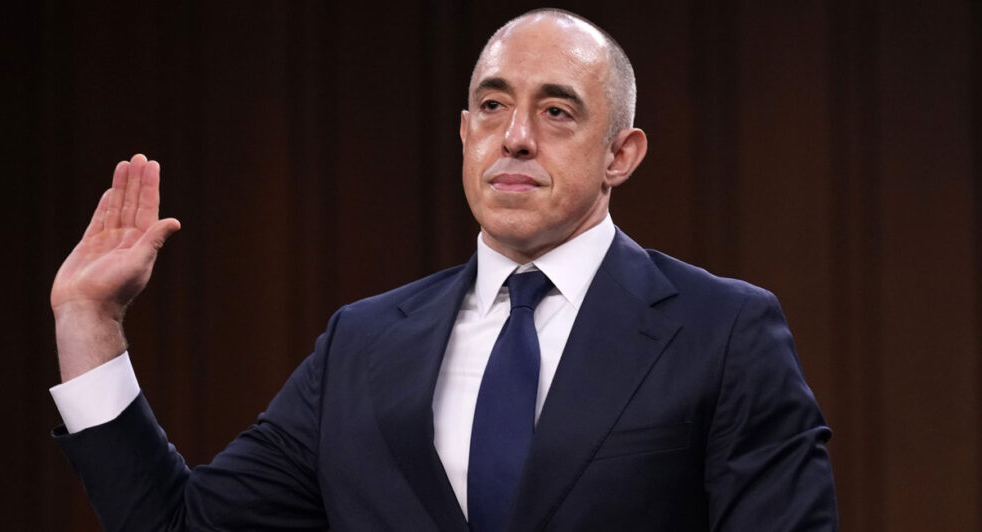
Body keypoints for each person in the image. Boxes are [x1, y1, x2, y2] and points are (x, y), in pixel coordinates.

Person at [50, 8, 838, 531]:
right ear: (465, 134)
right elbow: (180, 525)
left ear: (619, 156)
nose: (517, 137)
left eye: (558, 111)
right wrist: (91, 324)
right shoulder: (360, 346)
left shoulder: (723, 332)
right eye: (492, 107)